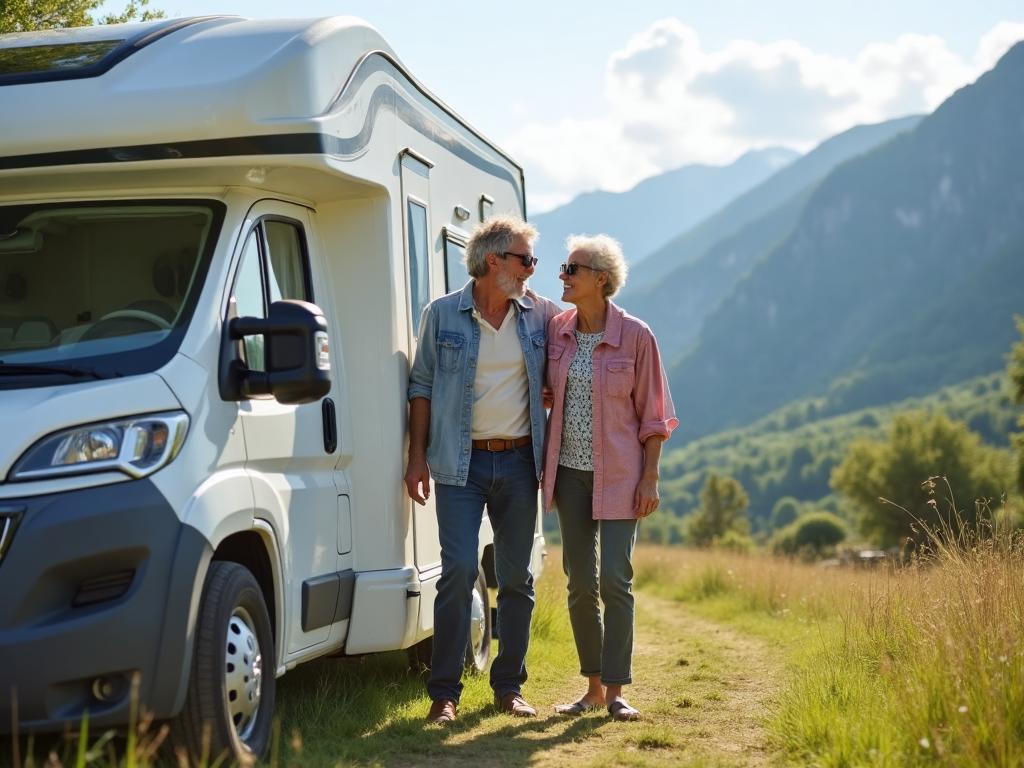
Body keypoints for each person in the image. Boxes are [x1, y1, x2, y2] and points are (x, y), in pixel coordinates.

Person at [405, 215, 560, 725]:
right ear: (493, 261)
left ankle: (508, 687)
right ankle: (444, 694)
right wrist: (415, 458)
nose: (532, 269)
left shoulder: (539, 316)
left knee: (517, 578)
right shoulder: (442, 314)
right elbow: (421, 386)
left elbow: (578, 348)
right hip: (458, 462)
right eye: (525, 259)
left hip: (520, 461)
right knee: (456, 573)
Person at [542, 234, 678, 722]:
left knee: (615, 580)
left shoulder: (637, 336)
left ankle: (618, 691)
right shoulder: (557, 331)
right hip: (569, 474)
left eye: (571, 268)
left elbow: (655, 416)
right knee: (579, 583)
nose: (563, 275)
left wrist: (651, 478)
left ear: (601, 279)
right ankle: (594, 688)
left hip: (623, 476)